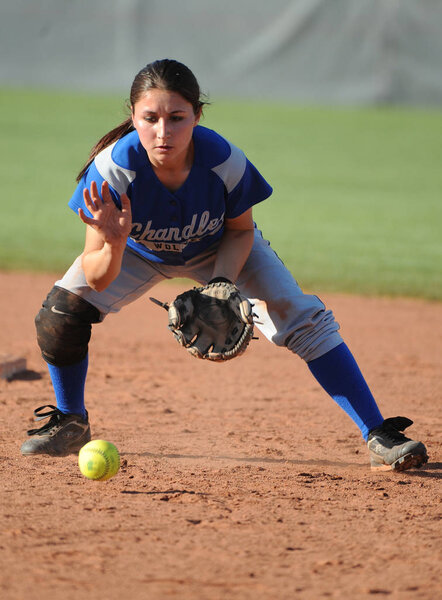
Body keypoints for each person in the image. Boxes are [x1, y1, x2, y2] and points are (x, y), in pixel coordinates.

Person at [21, 59, 428, 472]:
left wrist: (221, 282)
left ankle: (378, 433)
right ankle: (70, 421)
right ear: (133, 116)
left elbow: (239, 231)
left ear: (197, 115)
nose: (164, 132)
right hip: (136, 251)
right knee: (61, 312)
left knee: (303, 320)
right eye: (151, 118)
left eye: (177, 118)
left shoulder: (223, 161)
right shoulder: (112, 171)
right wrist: (114, 240)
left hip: (217, 248)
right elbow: (97, 275)